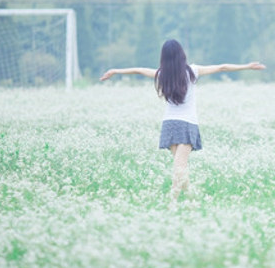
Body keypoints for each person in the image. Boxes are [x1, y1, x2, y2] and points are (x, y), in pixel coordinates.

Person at [100, 39, 265, 199]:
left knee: (180, 166)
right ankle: (172, 202)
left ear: (163, 57)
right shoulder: (192, 71)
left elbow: (138, 70)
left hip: (169, 124)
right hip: (187, 124)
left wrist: (116, 71)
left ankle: (191, 199)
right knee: (180, 167)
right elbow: (222, 67)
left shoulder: (162, 74)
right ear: (181, 55)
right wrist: (247, 66)